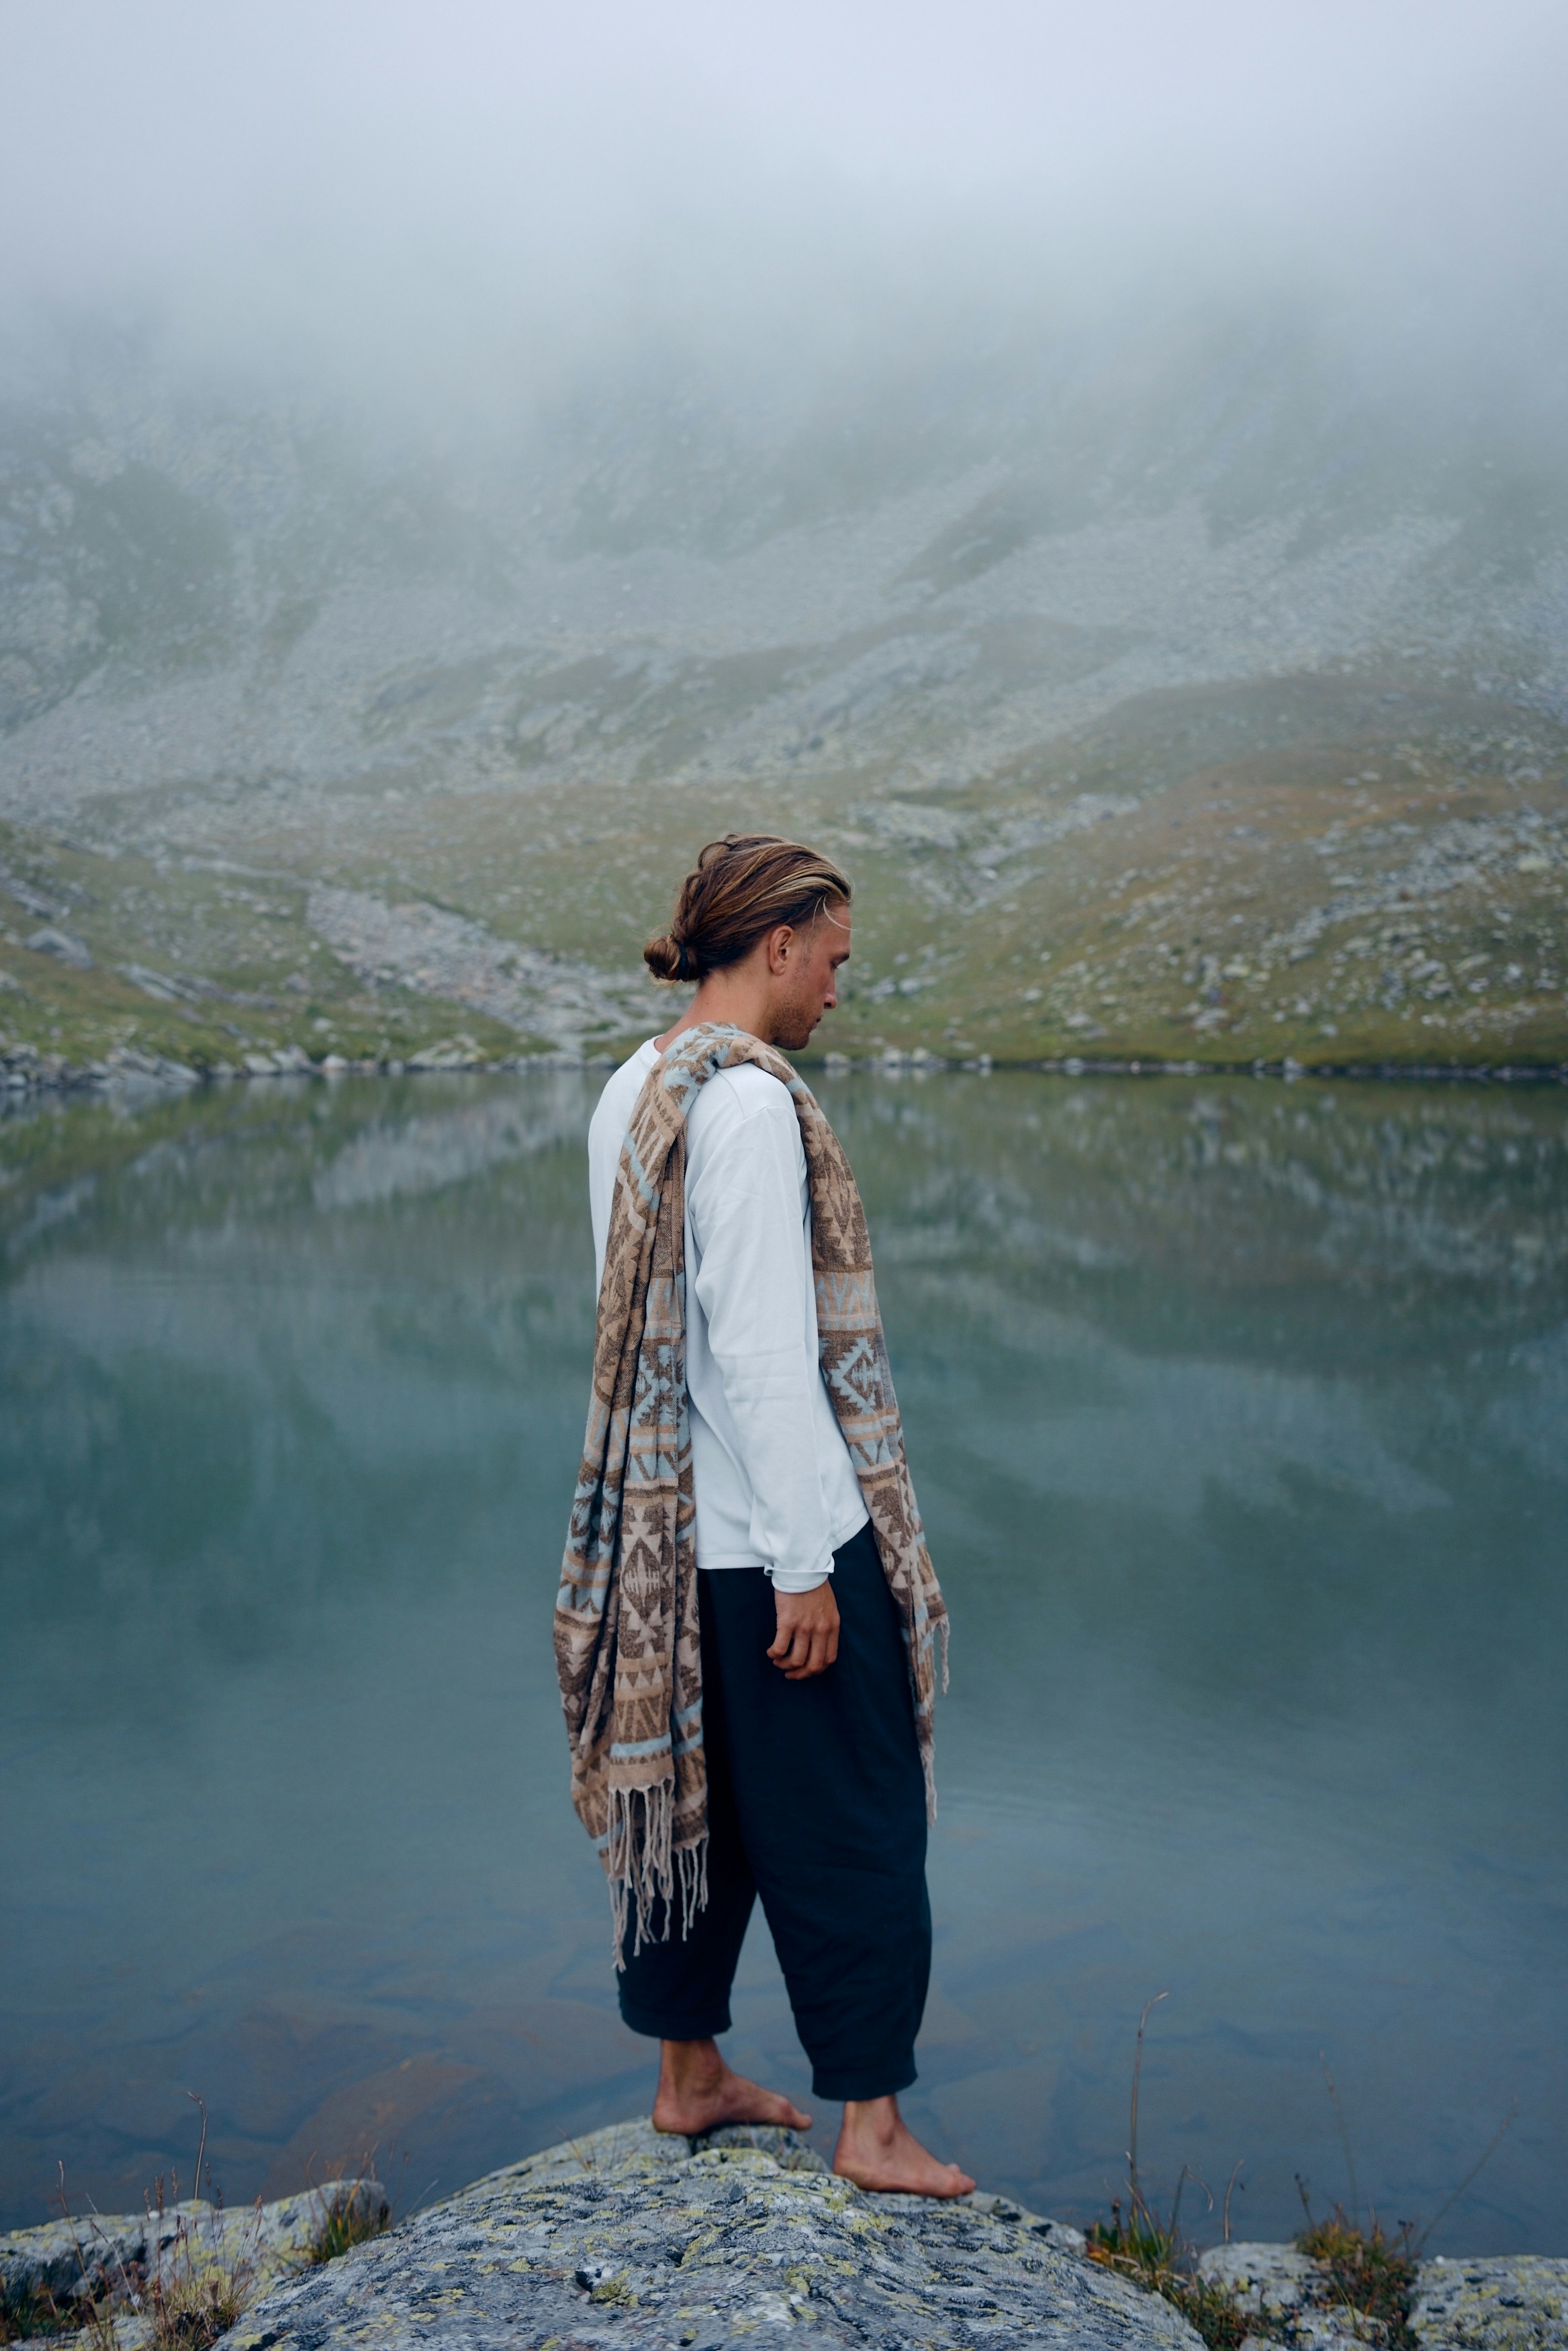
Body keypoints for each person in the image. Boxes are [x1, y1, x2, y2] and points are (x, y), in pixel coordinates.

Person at [557, 833, 972, 2197]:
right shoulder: (741, 1106)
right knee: (858, 1823)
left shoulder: (634, 1085)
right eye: (835, 961)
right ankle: (874, 2125)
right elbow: (759, 1353)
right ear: (779, 944)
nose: (837, 994)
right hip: (769, 1546)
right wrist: (808, 1565)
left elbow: (647, 1341)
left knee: (691, 1810)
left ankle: (686, 2078)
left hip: (664, 1551)